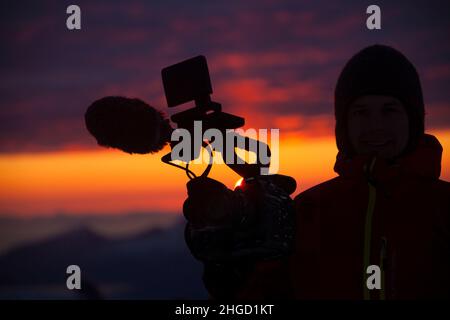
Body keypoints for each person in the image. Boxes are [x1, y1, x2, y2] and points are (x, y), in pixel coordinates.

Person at [183, 45, 450, 299]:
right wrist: (230, 275)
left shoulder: (443, 207)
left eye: (389, 110)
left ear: (414, 120)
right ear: (343, 125)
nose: (375, 125)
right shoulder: (307, 211)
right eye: (361, 112)